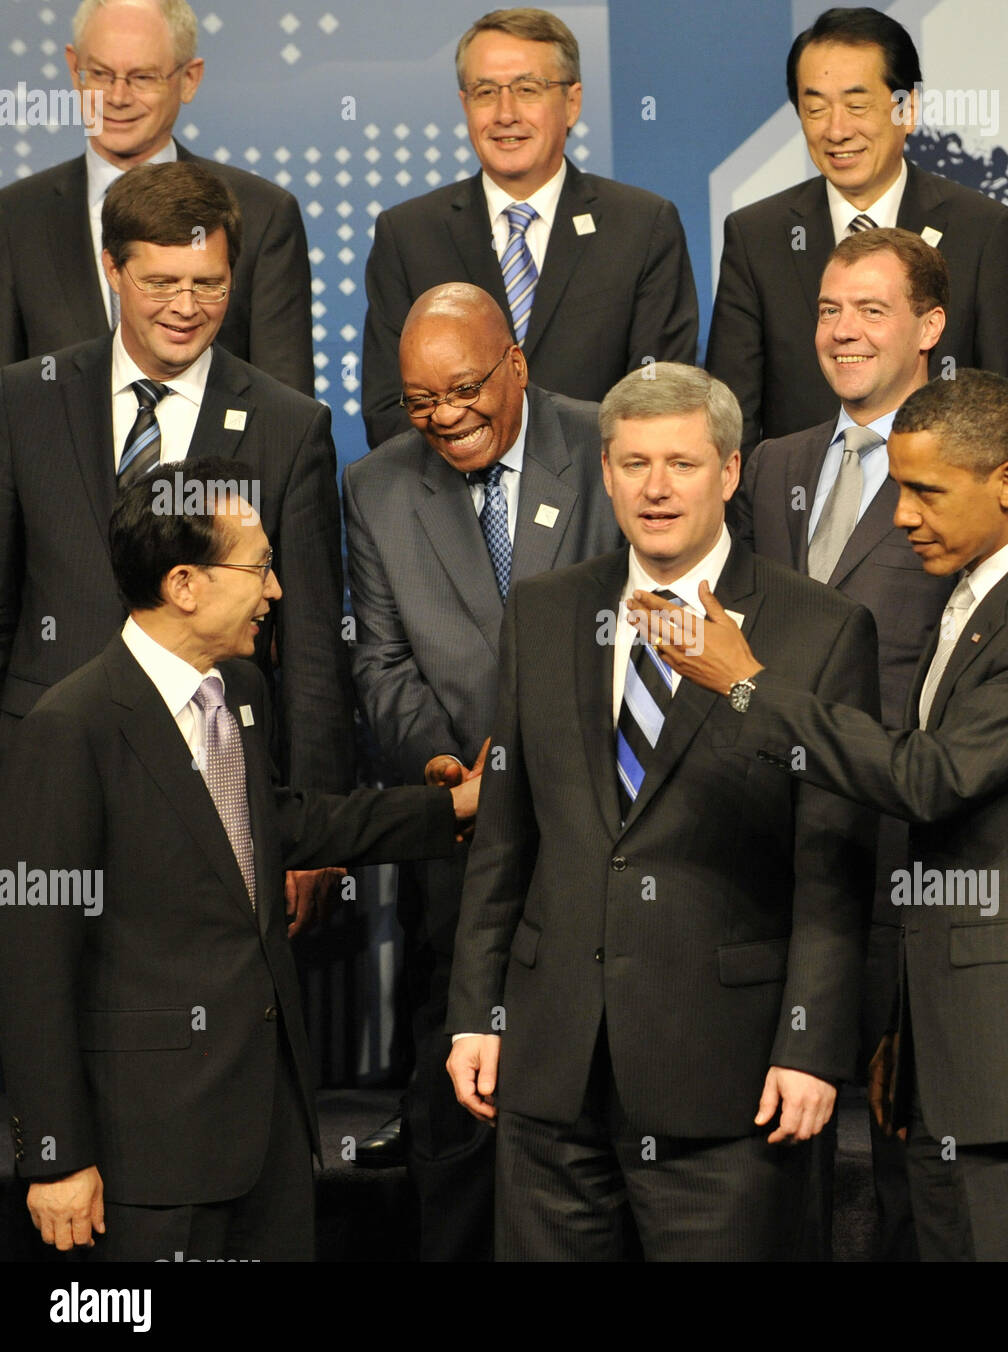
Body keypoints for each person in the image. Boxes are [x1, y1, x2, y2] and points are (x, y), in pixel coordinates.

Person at [636, 369, 1008, 1261]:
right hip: (957, 1061)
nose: (902, 515)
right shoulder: (982, 590)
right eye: (897, 488)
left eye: (924, 492)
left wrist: (747, 686)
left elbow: (931, 780)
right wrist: (906, 1035)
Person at [445, 364, 876, 1260]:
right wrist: (474, 1014)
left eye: (681, 463)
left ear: (729, 473)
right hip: (552, 1069)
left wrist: (811, 1045)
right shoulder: (544, 611)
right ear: (604, 472)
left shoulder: (819, 628)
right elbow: (505, 840)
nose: (655, 487)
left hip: (729, 1081)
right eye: (634, 462)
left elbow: (829, 866)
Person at [0, 460, 480, 1261]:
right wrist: (55, 1155)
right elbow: (33, 959)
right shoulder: (72, 726)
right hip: (146, 1158)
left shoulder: (244, 693)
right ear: (185, 584)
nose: (277, 590)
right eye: (259, 567)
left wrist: (450, 810)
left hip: (272, 1140)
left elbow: (280, 823)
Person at [0, 159, 352, 929]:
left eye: (210, 283)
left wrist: (317, 839)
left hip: (219, 788)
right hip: (48, 786)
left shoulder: (290, 428)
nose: (187, 308)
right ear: (112, 270)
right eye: (161, 283)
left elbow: (316, 649)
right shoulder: (24, 401)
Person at [343, 281, 620, 1257]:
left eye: (463, 389)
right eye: (420, 401)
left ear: (517, 365)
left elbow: (662, 603)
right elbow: (377, 658)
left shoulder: (607, 441)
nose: (445, 416)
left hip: (609, 830)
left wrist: (550, 743)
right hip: (461, 828)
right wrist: (440, 761)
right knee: (457, 1088)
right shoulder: (375, 487)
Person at [731, 225, 952, 1259]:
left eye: (871, 309)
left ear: (929, 327)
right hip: (776, 853)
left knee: (912, 1156)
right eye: (828, 309)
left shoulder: (964, 464)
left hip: (912, 857)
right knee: (778, 1146)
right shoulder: (772, 462)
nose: (844, 330)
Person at [361, 6, 698, 448]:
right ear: (465, 105)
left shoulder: (642, 226)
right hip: (454, 504)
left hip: (597, 504)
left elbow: (657, 401)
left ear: (572, 103)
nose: (505, 113)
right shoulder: (407, 234)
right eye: (485, 92)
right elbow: (389, 409)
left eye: (527, 89)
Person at [706, 5, 1008, 452]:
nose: (836, 130)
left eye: (857, 105)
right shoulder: (757, 235)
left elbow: (1006, 404)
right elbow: (732, 419)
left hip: (942, 511)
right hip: (802, 511)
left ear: (907, 109)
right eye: (815, 108)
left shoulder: (981, 230)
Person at [0, 0, 313, 395]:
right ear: (73, 67)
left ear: (189, 79)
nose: (116, 96)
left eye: (142, 77)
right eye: (99, 73)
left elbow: (286, 415)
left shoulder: (262, 214)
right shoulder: (14, 218)